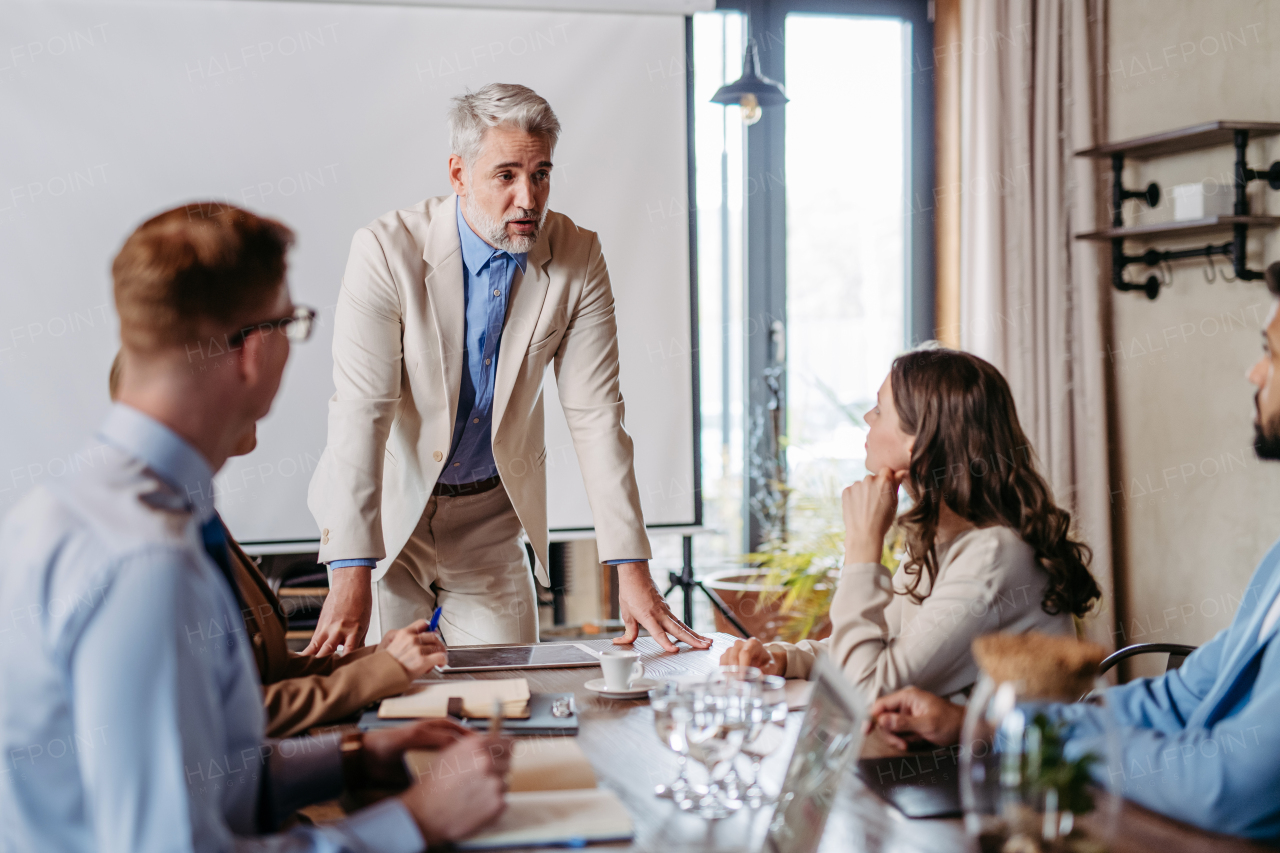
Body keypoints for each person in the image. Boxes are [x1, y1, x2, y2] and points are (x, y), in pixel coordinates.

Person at [0, 203, 509, 852]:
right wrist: (415, 821)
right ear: (252, 348)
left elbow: (193, 768)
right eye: (293, 325)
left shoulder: (62, 511)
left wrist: (351, 758)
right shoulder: (147, 565)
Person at [868, 265, 1280, 841]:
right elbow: (1176, 697)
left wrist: (1012, 727)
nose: (1254, 371)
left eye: (1272, 353)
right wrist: (980, 723)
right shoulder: (1277, 565)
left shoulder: (992, 551)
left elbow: (1227, 789)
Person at [307, 83, 709, 654]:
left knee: (511, 697)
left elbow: (597, 417)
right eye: (506, 176)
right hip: (389, 509)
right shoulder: (384, 249)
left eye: (541, 174)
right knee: (386, 702)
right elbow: (360, 412)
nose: (529, 198)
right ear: (459, 174)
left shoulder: (578, 255)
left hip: (489, 517)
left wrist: (632, 569)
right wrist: (352, 575)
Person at [721, 348, 1101, 703]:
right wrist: (784, 659)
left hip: (1004, 767)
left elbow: (867, 689)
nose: (868, 418)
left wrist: (862, 546)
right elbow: (874, 649)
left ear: (919, 441)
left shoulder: (993, 553)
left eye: (879, 410)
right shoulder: (941, 535)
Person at [108, 352, 447, 738]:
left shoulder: (195, 506)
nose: (261, 400)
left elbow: (265, 671)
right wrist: (382, 673)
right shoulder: (156, 541)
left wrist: (377, 658)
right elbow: (231, 712)